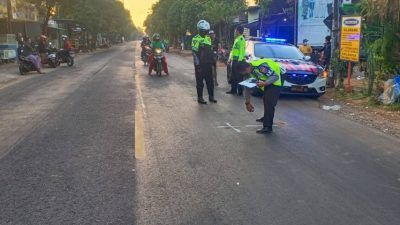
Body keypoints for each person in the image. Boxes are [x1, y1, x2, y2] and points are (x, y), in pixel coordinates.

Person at [237, 59, 283, 134]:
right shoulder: (247, 73)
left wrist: (265, 83)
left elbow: (275, 77)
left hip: (277, 79)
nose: (244, 75)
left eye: (245, 72)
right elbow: (247, 88)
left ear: (248, 67)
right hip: (267, 81)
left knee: (269, 102)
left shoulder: (260, 67)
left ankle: (268, 127)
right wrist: (247, 103)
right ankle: (266, 118)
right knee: (266, 99)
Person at [192, 20, 217, 104]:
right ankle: (200, 98)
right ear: (199, 30)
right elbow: (195, 53)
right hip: (200, 65)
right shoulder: (195, 38)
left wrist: (213, 60)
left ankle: (211, 96)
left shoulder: (208, 38)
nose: (206, 32)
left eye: (206, 31)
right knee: (200, 82)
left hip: (208, 64)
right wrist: (197, 65)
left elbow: (209, 51)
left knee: (210, 81)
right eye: (204, 31)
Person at [227, 25, 246, 96]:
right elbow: (234, 50)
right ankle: (233, 90)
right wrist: (230, 59)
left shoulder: (242, 40)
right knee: (233, 76)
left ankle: (240, 91)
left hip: (238, 61)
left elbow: (242, 51)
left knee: (239, 77)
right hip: (234, 60)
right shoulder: (237, 39)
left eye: (235, 30)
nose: (235, 31)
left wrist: (239, 61)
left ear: (238, 31)